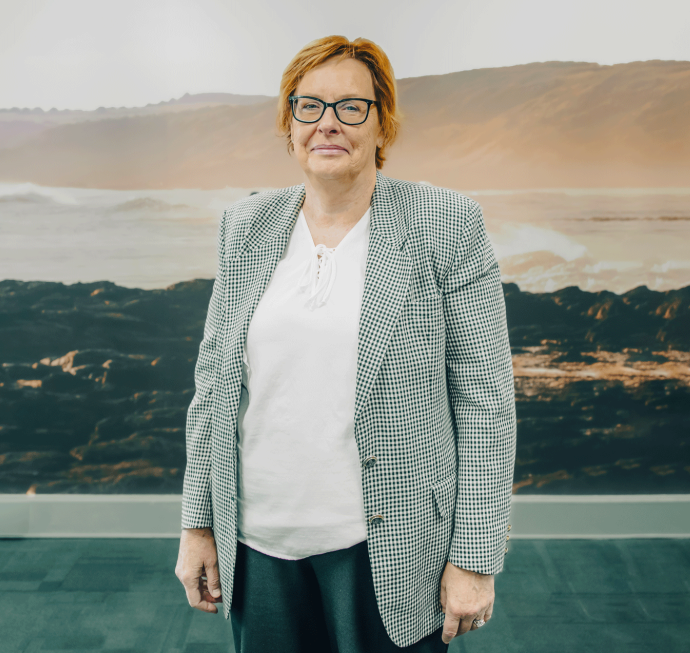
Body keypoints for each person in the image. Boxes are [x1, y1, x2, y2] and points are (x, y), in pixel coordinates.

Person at [175, 35, 516, 652]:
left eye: (351, 107)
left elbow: (485, 404)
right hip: (258, 544)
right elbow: (213, 386)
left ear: (382, 124)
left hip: (389, 548)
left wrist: (474, 557)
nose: (327, 123)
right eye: (309, 106)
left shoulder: (445, 224)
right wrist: (198, 524)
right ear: (289, 123)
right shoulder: (245, 226)